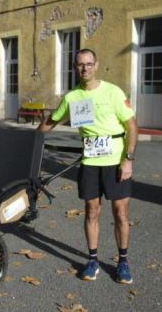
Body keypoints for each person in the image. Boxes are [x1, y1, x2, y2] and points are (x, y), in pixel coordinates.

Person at [38, 48, 138, 284]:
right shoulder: (72, 98)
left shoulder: (113, 92)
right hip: (90, 162)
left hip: (116, 162)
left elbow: (132, 126)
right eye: (80, 64)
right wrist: (27, 141)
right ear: (75, 67)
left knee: (120, 214)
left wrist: (128, 159)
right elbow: (50, 122)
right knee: (91, 211)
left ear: (96, 64)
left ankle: (122, 262)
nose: (85, 68)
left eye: (89, 63)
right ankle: (92, 260)